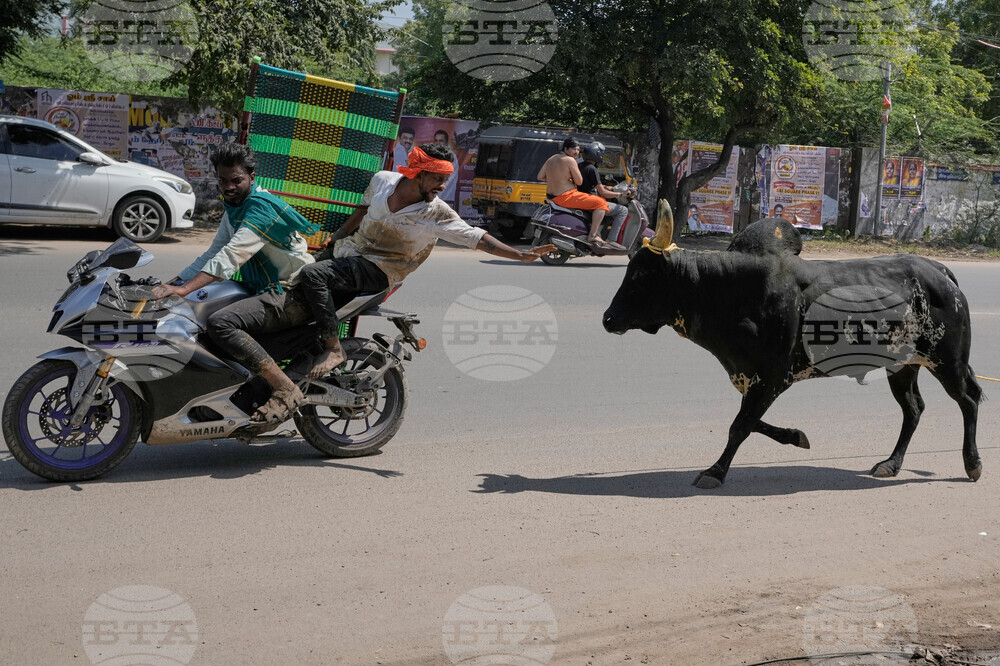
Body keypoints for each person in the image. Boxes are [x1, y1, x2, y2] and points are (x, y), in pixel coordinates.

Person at [299, 142, 558, 381]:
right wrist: (336, 238)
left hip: (380, 269)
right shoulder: (383, 181)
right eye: (438, 179)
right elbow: (363, 208)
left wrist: (521, 255)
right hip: (348, 253)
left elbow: (478, 238)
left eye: (445, 180)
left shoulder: (437, 213)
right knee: (295, 276)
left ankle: (333, 349)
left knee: (313, 275)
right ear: (419, 173)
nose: (443, 186)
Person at [150, 143, 318, 424]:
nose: (229, 187)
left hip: (292, 291)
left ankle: (284, 388)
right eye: (223, 180)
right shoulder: (235, 208)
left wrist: (183, 289)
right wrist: (172, 284)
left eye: (236, 180)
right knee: (199, 311)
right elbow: (213, 252)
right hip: (266, 288)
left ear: (252, 177)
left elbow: (231, 256)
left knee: (220, 323)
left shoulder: (260, 208)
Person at [537, 137, 612, 248]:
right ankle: (593, 235)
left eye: (578, 149)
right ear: (566, 148)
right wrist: (568, 180)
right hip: (566, 197)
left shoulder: (552, 158)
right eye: (573, 149)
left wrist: (559, 179)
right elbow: (579, 181)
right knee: (601, 203)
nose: (576, 152)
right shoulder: (570, 160)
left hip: (552, 197)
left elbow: (540, 177)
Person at [577, 142, 627, 249]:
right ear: (594, 154)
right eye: (600, 154)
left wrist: (607, 187)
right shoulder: (592, 169)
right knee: (623, 210)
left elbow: (590, 184)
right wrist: (620, 194)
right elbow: (604, 193)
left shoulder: (579, 166)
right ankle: (611, 240)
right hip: (592, 202)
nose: (601, 156)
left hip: (582, 199)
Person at [433, 129, 461, 208]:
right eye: (436, 140)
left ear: (446, 142)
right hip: (434, 196)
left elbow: (447, 178)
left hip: (445, 196)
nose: (438, 143)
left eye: (441, 141)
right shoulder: (435, 155)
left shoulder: (450, 156)